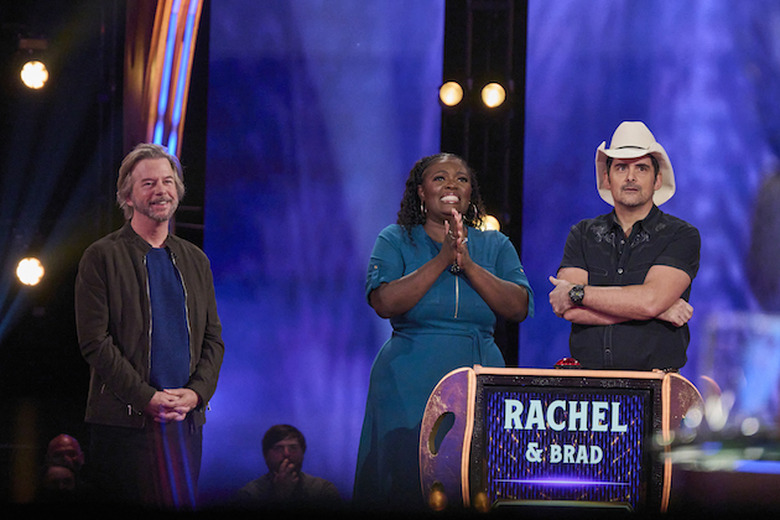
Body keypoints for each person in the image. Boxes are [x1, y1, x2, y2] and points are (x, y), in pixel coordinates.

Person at [353, 153, 534, 509]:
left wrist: (466, 262)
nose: (452, 184)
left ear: (470, 194)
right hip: (407, 380)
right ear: (421, 193)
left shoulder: (495, 245)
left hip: (478, 374)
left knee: (474, 480)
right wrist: (442, 258)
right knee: (405, 481)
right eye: (440, 178)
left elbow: (519, 307)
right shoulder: (395, 239)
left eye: (461, 179)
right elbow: (384, 302)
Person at [74, 143, 225, 509]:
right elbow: (95, 342)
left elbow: (213, 340)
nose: (161, 190)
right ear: (127, 195)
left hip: (184, 426)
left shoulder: (196, 260)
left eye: (168, 182)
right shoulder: (102, 256)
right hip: (124, 427)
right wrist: (147, 399)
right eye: (148, 184)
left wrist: (196, 394)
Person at [548, 121, 700, 370]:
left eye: (641, 168)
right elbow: (570, 311)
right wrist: (657, 310)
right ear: (607, 178)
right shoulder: (583, 234)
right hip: (589, 388)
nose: (631, 177)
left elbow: (650, 300)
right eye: (621, 168)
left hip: (657, 385)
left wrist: (579, 293)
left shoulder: (681, 235)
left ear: (657, 179)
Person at [234, 424, 341, 509]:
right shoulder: (249, 495)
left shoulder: (322, 491)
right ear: (266, 455)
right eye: (278, 448)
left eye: (293, 448)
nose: (286, 453)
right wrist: (280, 496)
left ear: (303, 453)